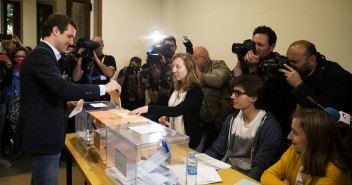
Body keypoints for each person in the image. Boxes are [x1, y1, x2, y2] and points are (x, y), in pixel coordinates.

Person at [17, 13, 121, 185]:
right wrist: (105, 87)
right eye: (69, 36)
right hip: (43, 138)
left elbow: (45, 93)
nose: (72, 42)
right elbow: (63, 88)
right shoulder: (41, 55)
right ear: (55, 31)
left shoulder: (47, 55)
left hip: (47, 136)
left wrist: (65, 104)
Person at [204, 75, 282, 181]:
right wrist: (199, 162)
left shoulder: (270, 127)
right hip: (226, 172)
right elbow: (217, 149)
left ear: (254, 98)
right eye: (233, 92)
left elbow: (260, 167)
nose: (232, 96)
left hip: (248, 178)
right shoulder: (231, 119)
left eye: (238, 93)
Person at [129, 53, 204, 151]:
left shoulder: (196, 91)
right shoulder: (175, 87)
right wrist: (167, 118)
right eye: (173, 67)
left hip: (190, 142)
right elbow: (172, 110)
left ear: (189, 68)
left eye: (178, 67)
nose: (173, 70)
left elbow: (177, 110)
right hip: (174, 139)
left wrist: (147, 108)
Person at [261, 109, 352, 185]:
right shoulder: (295, 150)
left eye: (295, 132)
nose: (289, 137)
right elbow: (267, 175)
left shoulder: (334, 170)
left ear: (313, 139)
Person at [280, 40, 352, 115]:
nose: (290, 65)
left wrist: (299, 86)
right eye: (288, 61)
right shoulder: (299, 70)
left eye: (295, 62)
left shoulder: (333, 73)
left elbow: (327, 113)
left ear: (312, 60)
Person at [192, 46, 233, 151]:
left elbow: (218, 80)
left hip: (219, 123)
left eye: (194, 59)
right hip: (202, 124)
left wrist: (194, 74)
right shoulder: (196, 72)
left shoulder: (218, 64)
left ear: (204, 59)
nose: (191, 63)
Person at [72, 36, 116, 101]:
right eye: (92, 43)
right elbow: (76, 78)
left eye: (96, 43)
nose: (93, 46)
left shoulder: (109, 58)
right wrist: (81, 57)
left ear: (102, 46)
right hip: (86, 98)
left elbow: (110, 74)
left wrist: (96, 59)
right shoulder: (85, 59)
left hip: (103, 98)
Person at [3, 47, 27, 161]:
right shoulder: (8, 69)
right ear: (14, 58)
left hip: (24, 102)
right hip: (9, 101)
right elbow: (6, 82)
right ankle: (14, 148)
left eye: (23, 56)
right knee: (11, 127)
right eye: (18, 56)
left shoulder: (28, 70)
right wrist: (8, 70)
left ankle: (22, 148)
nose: (20, 58)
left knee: (22, 126)